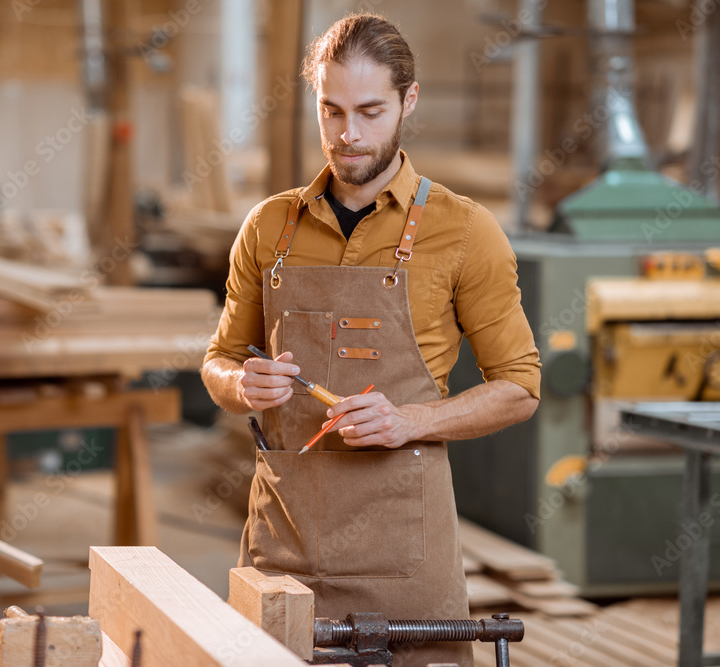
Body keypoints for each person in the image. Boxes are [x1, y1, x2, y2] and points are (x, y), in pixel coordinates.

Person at [201, 13, 540, 667]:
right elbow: (220, 359)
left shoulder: (466, 232)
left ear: (409, 102)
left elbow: (520, 387)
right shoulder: (268, 226)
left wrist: (407, 420)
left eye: (369, 111)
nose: (348, 134)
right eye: (330, 111)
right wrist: (241, 384)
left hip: (404, 556)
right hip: (283, 545)